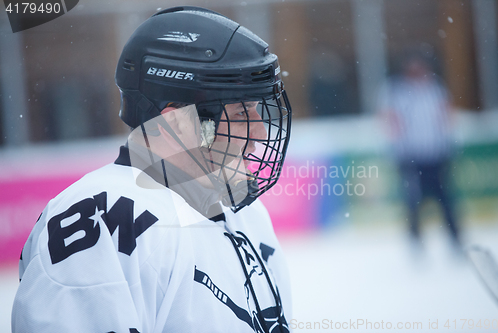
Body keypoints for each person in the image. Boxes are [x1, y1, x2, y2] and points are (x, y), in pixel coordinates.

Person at [12, 7, 292, 333]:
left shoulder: (246, 215)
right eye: (243, 115)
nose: (260, 133)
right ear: (176, 122)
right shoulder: (105, 221)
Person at [378, 52, 461, 252]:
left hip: (436, 154)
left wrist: (449, 143)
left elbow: (446, 115)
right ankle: (415, 240)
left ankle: (455, 239)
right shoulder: (396, 92)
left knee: (445, 199)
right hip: (411, 156)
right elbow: (389, 119)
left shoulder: (435, 89)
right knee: (413, 201)